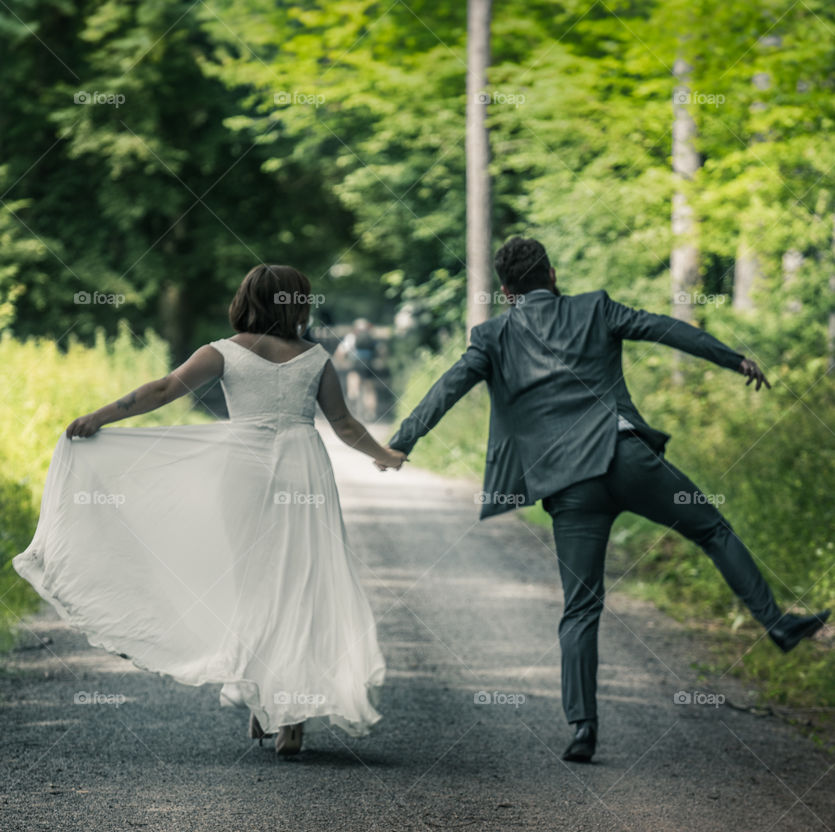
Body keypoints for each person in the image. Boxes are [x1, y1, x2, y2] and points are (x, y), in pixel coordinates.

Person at [388, 236, 829, 763]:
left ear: (507, 292)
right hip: (628, 459)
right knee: (711, 528)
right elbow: (666, 330)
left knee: (580, 608)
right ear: (551, 274)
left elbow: (447, 387)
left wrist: (401, 441)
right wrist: (733, 360)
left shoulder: (493, 335)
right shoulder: (596, 308)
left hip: (569, 486)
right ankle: (776, 622)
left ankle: (583, 729)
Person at [14, 264, 404, 756]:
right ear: (296, 305)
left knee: (253, 583)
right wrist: (385, 455)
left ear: (246, 301)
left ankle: (265, 702)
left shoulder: (221, 352)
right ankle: (292, 716)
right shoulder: (316, 358)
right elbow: (344, 425)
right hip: (304, 472)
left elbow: (161, 390)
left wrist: (99, 416)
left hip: (243, 473)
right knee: (301, 585)